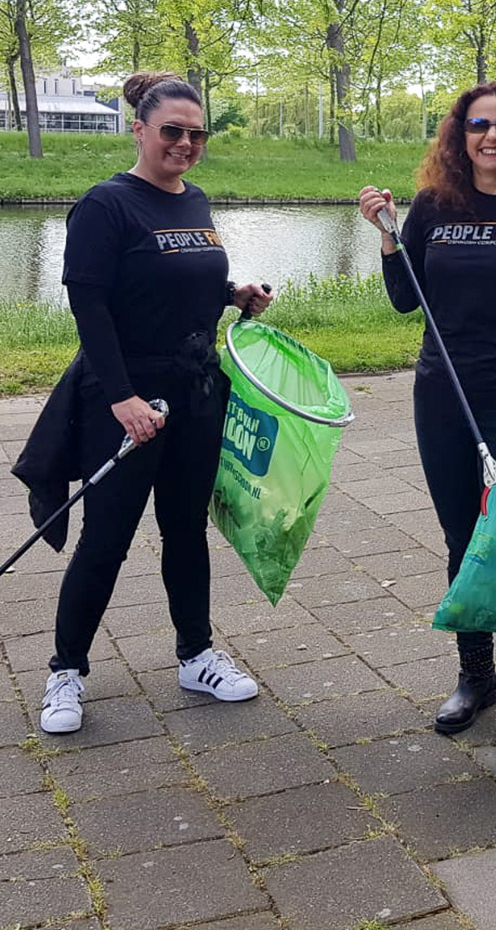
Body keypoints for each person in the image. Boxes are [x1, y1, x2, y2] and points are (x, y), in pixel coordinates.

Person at [33, 72, 272, 735]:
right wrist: (122, 399)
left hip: (195, 393)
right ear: (138, 129)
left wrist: (233, 293)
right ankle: (67, 670)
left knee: (186, 530)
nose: (186, 144)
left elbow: (180, 279)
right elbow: (93, 309)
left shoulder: (194, 200)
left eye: (197, 134)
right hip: (128, 398)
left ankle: (196, 655)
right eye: (173, 131)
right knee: (104, 540)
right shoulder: (106, 206)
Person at [360, 81, 496, 737]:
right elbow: (407, 300)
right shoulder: (433, 205)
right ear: (460, 135)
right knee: (464, 540)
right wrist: (385, 235)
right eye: (477, 124)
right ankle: (476, 680)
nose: (490, 136)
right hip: (442, 391)